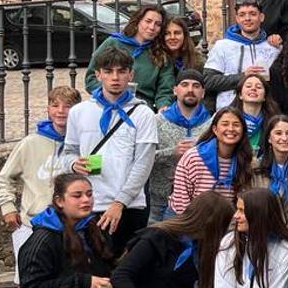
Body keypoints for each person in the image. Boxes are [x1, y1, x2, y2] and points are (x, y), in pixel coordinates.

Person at [0, 86, 82, 288]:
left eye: (67, 107)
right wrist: (7, 206)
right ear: (48, 109)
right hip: (32, 225)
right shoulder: (31, 143)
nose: (61, 112)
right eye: (55, 106)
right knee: (25, 287)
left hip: (71, 229)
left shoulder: (82, 144)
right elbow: (3, 178)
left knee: (68, 282)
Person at [60, 45, 158, 256]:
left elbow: (143, 163)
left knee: (126, 273)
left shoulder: (143, 113)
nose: (115, 77)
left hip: (130, 206)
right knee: (94, 274)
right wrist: (73, 163)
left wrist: (120, 202)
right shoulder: (79, 112)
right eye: (109, 71)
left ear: (130, 74)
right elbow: (68, 151)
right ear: (98, 74)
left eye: (122, 71)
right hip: (90, 204)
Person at [84, 4, 174, 111]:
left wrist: (163, 106)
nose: (152, 27)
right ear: (138, 21)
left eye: (158, 24)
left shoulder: (161, 54)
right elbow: (91, 78)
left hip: (142, 108)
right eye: (148, 21)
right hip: (108, 104)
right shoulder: (113, 43)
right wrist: (110, 93)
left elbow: (165, 89)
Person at [150, 70, 213, 221]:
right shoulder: (157, 121)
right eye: (184, 85)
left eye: (196, 86)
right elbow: (143, 158)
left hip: (200, 202)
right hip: (161, 200)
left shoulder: (212, 124)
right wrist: (173, 152)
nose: (190, 90)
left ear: (203, 93)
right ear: (175, 90)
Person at [169, 107, 253, 215]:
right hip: (186, 220)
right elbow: (181, 201)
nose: (231, 129)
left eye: (236, 125)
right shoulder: (194, 157)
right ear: (215, 129)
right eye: (225, 124)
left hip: (223, 223)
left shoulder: (245, 160)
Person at [203, 0, 280, 110]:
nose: (247, 18)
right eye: (242, 15)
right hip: (229, 112)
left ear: (261, 17)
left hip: (265, 112)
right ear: (237, 19)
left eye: (253, 14)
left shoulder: (273, 47)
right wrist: (243, 77)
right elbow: (208, 81)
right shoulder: (222, 46)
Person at [250, 116, 288, 236]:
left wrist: (286, 238)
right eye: (278, 133)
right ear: (269, 138)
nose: (284, 138)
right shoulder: (255, 168)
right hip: (258, 235)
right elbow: (250, 205)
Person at [230, 72, 278, 151]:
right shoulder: (225, 118)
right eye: (248, 86)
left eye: (258, 87)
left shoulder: (273, 122)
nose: (253, 89)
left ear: (265, 97)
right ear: (240, 95)